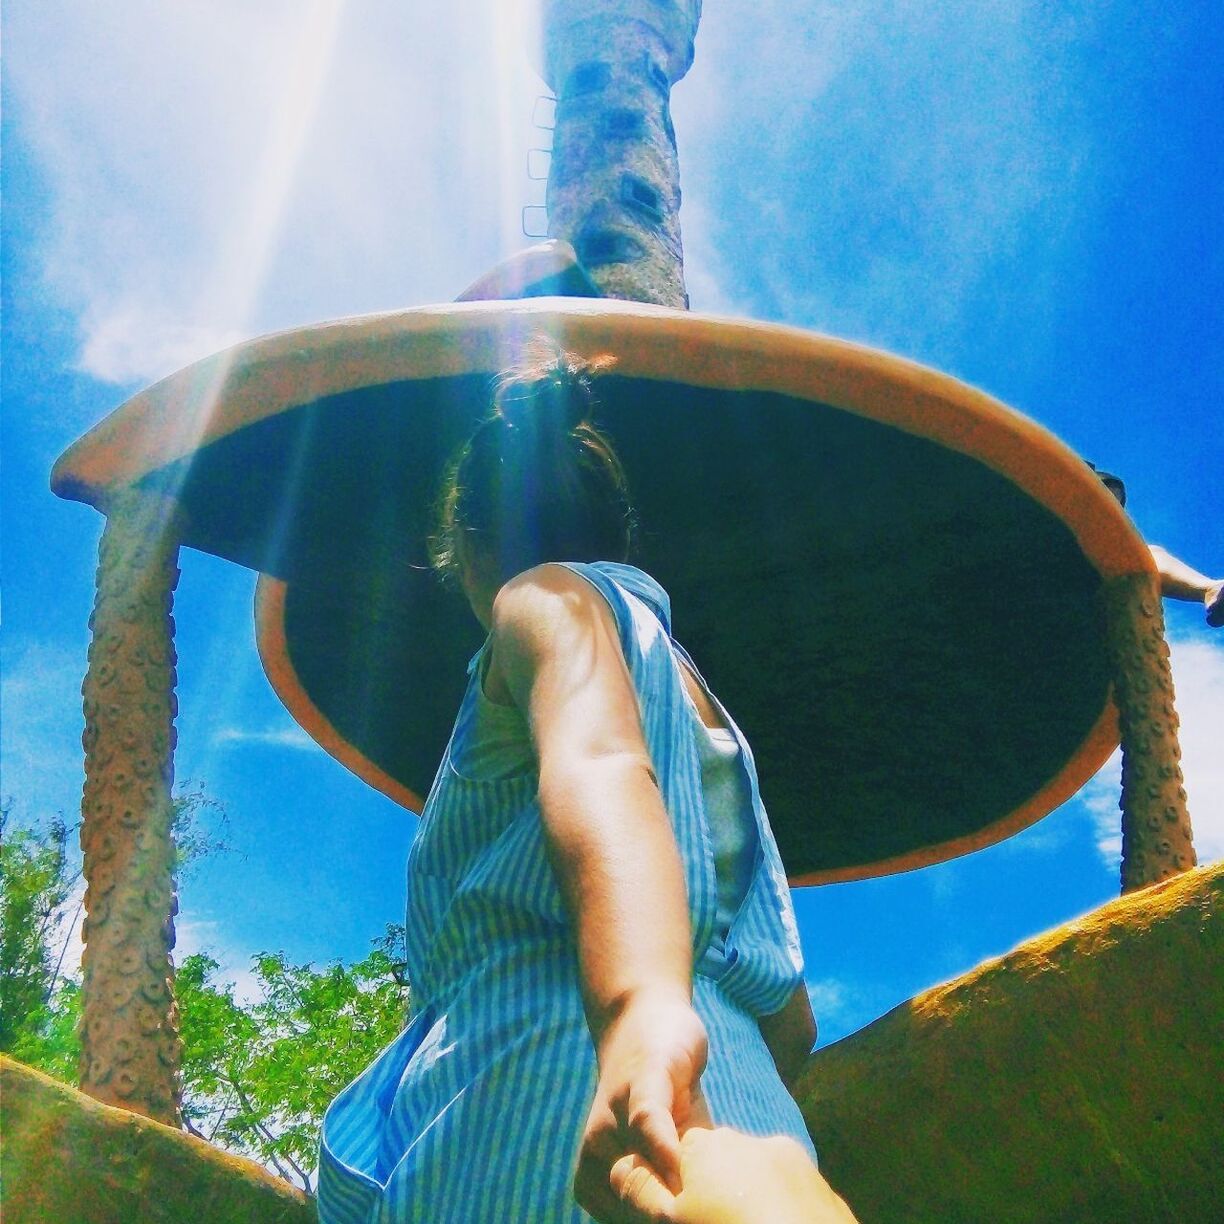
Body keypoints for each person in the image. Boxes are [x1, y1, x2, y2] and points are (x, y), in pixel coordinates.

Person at [316, 344, 833, 1223]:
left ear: (468, 550)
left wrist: (637, 1006)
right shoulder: (708, 718)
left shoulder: (539, 600)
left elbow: (597, 768)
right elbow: (794, 1022)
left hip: (536, 1108)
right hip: (741, 1124)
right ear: (617, 530)